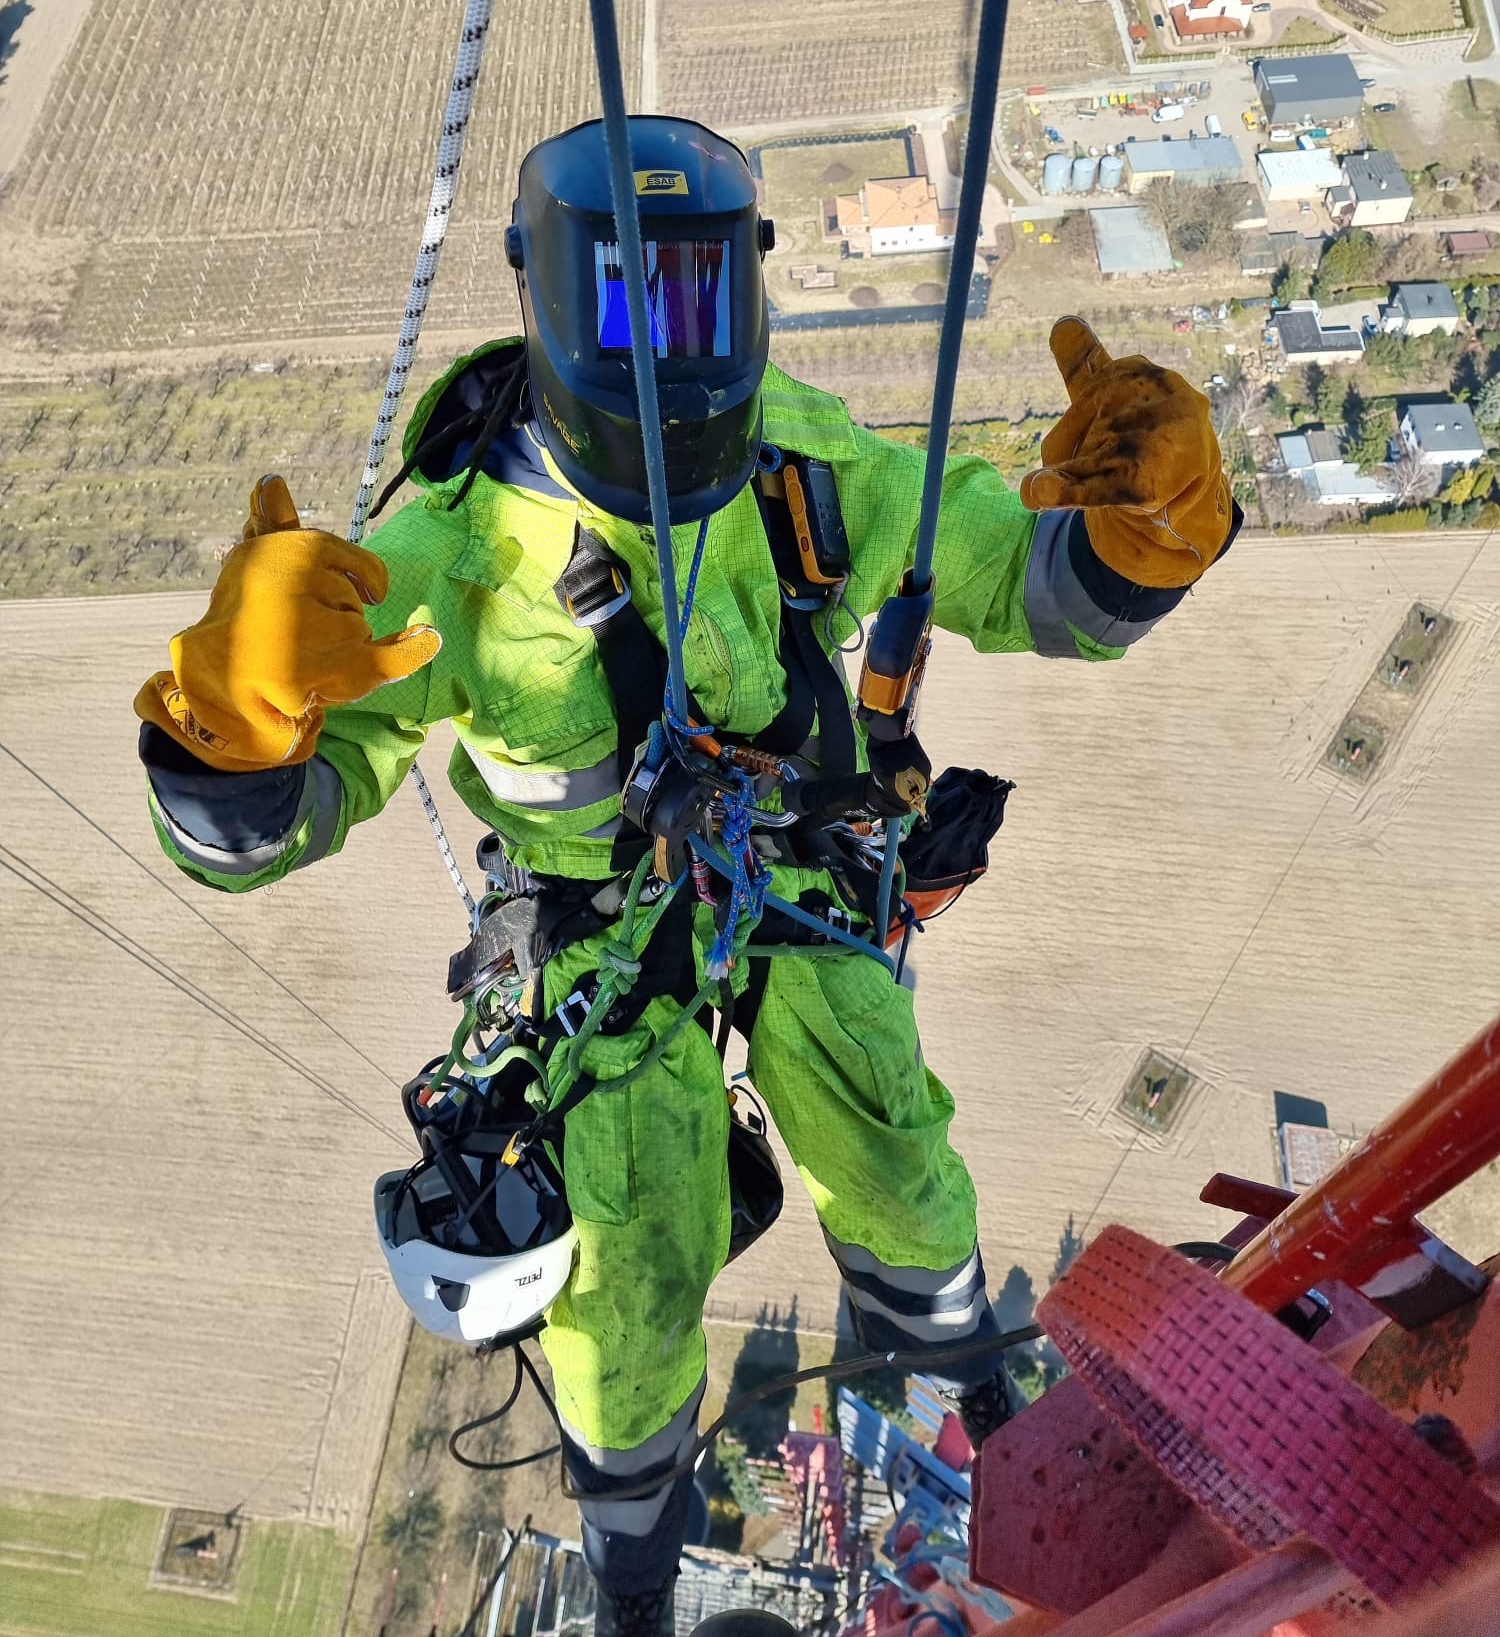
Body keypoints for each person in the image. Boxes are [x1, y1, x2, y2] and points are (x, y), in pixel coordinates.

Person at [135, 116, 1238, 1637]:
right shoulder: (450, 560)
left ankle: (989, 1388)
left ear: (750, 290)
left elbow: (1019, 575)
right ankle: (638, 1568)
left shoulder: (804, 470)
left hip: (788, 879)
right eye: (633, 313)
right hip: (604, 941)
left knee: (876, 1110)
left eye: (697, 302)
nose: (674, 358)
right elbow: (254, 835)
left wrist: (1146, 538)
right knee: (631, 1253)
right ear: (547, 309)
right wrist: (232, 737)